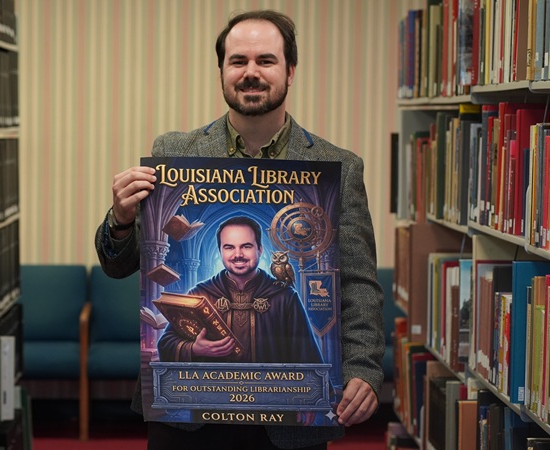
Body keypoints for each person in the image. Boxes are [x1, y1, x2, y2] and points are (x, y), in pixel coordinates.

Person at [94, 9, 384, 450]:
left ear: (290, 71)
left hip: (289, 424)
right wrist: (120, 218)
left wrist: (363, 368)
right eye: (238, 61)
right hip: (188, 419)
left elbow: (359, 283)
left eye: (266, 60)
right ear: (222, 71)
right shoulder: (173, 154)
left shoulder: (337, 167)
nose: (251, 72)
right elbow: (119, 268)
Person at [157, 216, 324, 365]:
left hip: (271, 388)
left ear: (260, 249)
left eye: (246, 246)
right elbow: (166, 343)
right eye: (229, 247)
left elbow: (307, 356)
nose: (238, 254)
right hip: (213, 387)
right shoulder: (200, 294)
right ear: (220, 251)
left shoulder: (284, 296)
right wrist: (194, 349)